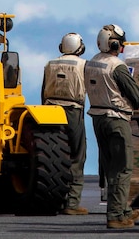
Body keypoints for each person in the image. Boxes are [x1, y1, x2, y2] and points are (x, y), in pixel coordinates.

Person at [84, 24, 139, 230]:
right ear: (114, 44)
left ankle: (123, 210)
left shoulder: (92, 62)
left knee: (111, 167)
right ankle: (115, 216)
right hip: (116, 120)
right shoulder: (116, 66)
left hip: (98, 118)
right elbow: (137, 96)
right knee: (122, 168)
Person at [43, 32, 89, 215]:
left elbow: (43, 89)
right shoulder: (83, 65)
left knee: (55, 156)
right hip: (73, 111)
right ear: (80, 47)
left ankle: (55, 198)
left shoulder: (50, 64)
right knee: (77, 156)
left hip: (50, 111)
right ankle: (72, 202)